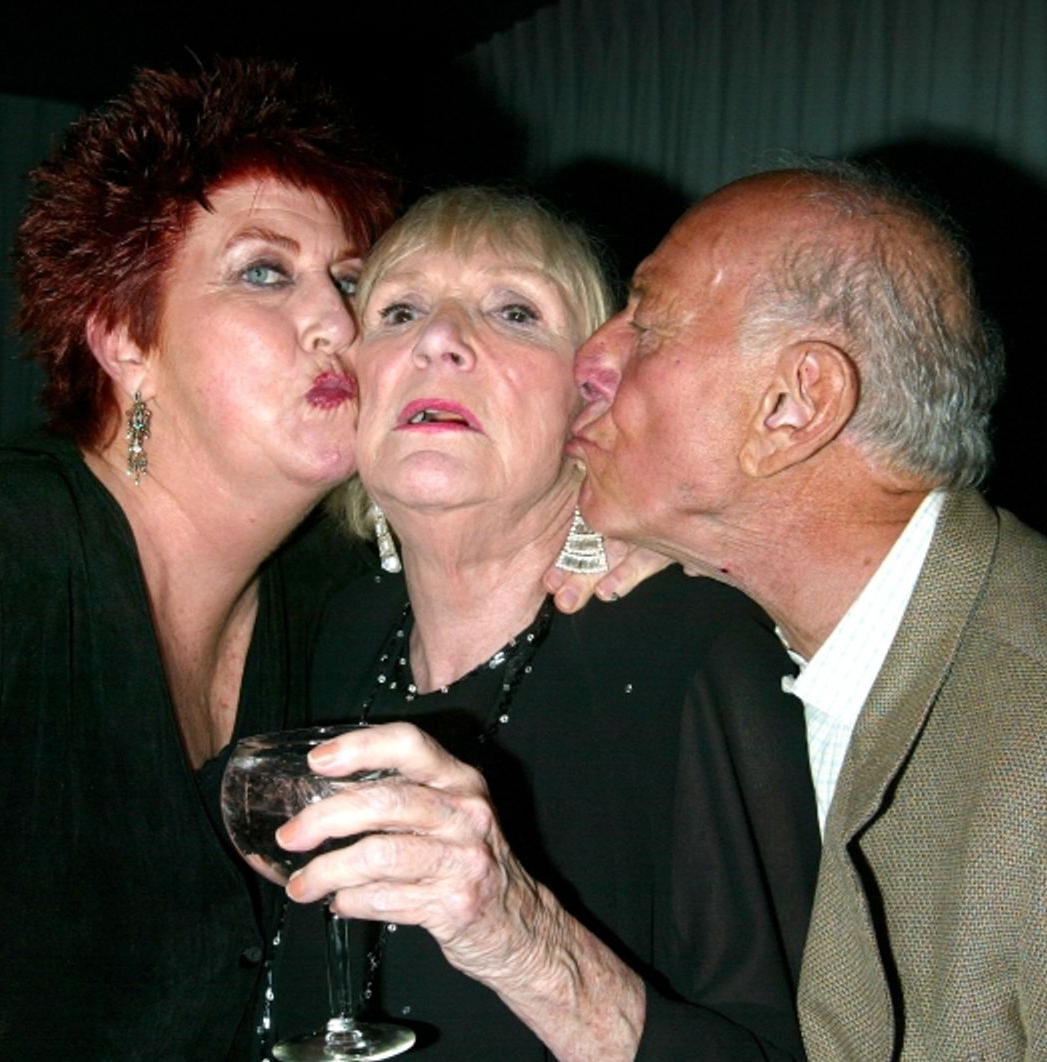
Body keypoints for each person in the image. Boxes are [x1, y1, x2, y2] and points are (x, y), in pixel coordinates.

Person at [0, 58, 399, 1057]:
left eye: (353, 280)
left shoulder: (329, 604)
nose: (338, 322)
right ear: (122, 339)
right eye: (265, 271)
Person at [265, 188, 821, 1060]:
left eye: (514, 311)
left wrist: (519, 939)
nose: (436, 339)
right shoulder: (338, 629)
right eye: (399, 310)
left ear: (589, 398)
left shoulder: (695, 651)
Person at [571, 161, 1047, 1058]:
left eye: (649, 321)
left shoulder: (1033, 729)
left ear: (794, 408)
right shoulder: (804, 653)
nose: (590, 359)